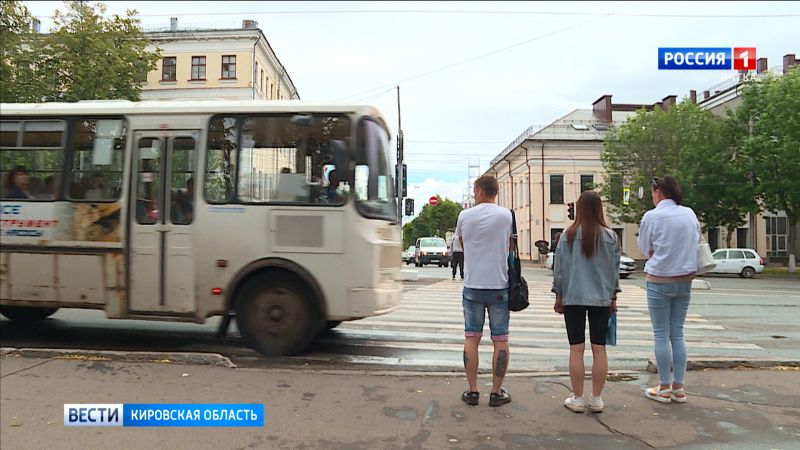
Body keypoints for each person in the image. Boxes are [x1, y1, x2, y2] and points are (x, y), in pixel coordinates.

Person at [551, 190, 620, 413]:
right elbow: (614, 272)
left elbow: (559, 271)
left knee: (576, 349)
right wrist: (613, 296)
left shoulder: (567, 235)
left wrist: (559, 295)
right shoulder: (611, 237)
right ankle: (597, 399)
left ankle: (578, 399)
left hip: (573, 297)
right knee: (599, 349)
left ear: (579, 209)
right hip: (601, 298)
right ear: (599, 209)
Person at [638, 175, 700, 404]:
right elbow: (695, 241)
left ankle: (664, 387)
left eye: (652, 193)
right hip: (684, 280)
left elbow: (644, 247)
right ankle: (679, 388)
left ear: (658, 192)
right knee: (678, 333)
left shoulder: (652, 216)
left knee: (661, 334)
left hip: (659, 280)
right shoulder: (689, 213)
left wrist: (656, 252)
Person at [454, 175, 513, 407]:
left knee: (472, 337)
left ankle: (472, 391)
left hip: (473, 285)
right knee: (501, 339)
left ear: (479, 190)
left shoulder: (464, 216)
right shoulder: (507, 215)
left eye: (474, 190)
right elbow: (511, 246)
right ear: (495, 192)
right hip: (499, 285)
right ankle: (496, 393)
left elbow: (462, 244)